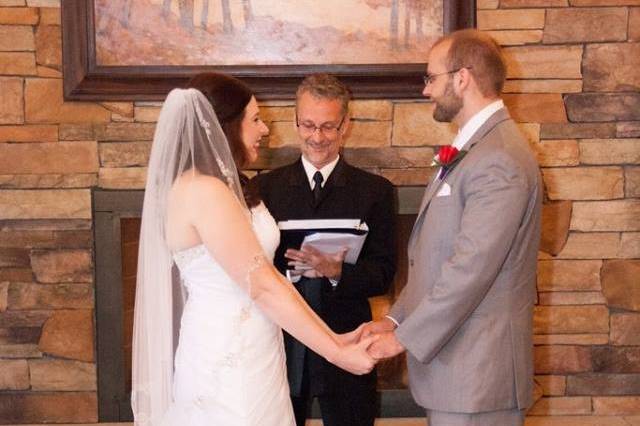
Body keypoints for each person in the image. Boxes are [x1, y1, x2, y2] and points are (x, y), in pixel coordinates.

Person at [130, 73, 378, 426]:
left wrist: (333, 336)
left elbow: (271, 279)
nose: (265, 130)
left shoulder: (226, 186)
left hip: (258, 346)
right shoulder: (203, 191)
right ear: (225, 126)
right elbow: (262, 284)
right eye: (256, 119)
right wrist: (336, 352)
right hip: (229, 356)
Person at [362, 29, 543, 426]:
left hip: (478, 374)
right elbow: (433, 255)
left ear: (462, 78)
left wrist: (402, 339)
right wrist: (395, 318)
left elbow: (469, 270)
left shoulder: (499, 158)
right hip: (459, 374)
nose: (426, 90)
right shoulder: (476, 149)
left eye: (431, 78)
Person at [252, 73, 396, 426]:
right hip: (280, 341)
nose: (317, 137)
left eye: (329, 127)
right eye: (308, 125)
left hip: (347, 336)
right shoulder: (263, 189)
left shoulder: (375, 191)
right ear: (296, 121)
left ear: (346, 125)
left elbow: (384, 274)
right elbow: (251, 268)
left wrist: (337, 272)